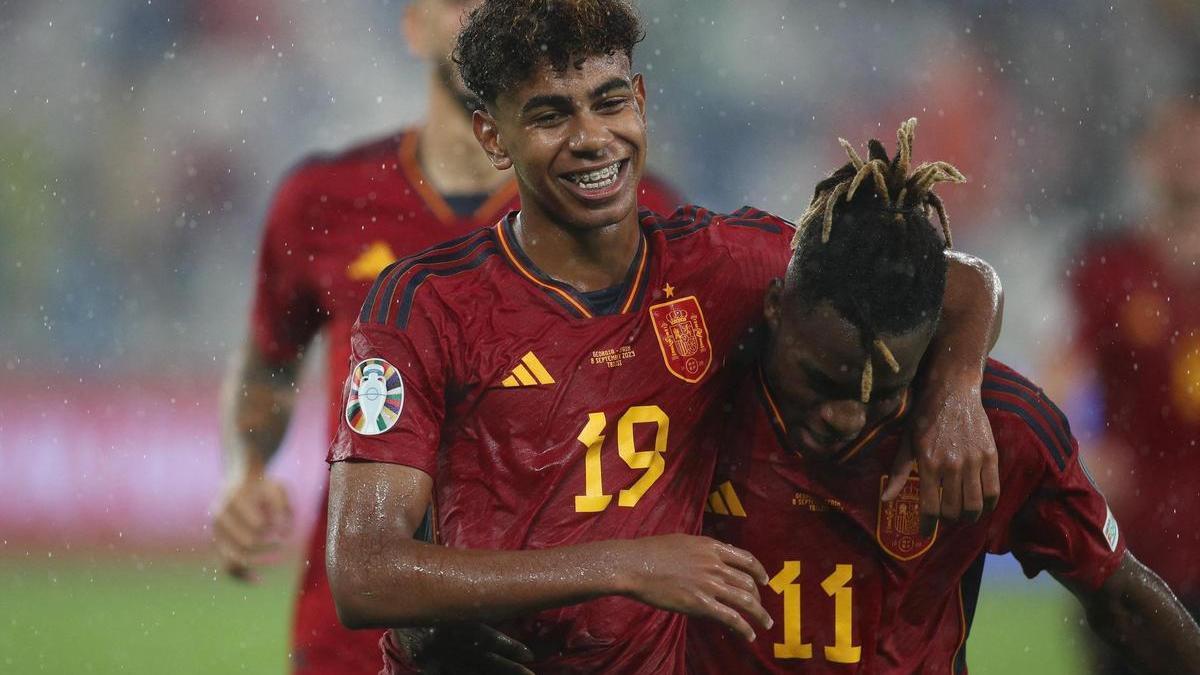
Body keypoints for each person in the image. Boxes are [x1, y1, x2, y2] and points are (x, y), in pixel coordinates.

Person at [325, 2, 1004, 673]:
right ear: (493, 136)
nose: (592, 137)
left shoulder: (725, 264)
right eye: (551, 114)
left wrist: (955, 391)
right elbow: (363, 570)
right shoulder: (426, 303)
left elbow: (955, 280)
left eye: (609, 102)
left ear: (641, 102)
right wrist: (630, 564)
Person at [210, 1, 684, 672]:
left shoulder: (639, 205)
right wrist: (247, 470)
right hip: (359, 638)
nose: (486, 13)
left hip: (551, 642)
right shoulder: (322, 199)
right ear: (413, 24)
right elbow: (270, 361)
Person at [688, 121, 1200, 673]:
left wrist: (956, 393)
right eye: (820, 380)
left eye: (881, 393)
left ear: (929, 344)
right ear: (774, 308)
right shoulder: (701, 369)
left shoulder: (997, 427)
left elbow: (1123, 601)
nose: (844, 415)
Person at [1057, 95, 1200, 674]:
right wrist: (1081, 451)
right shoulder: (1109, 269)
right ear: (1146, 155)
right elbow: (1056, 374)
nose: (1188, 156)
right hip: (1132, 553)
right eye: (1175, 140)